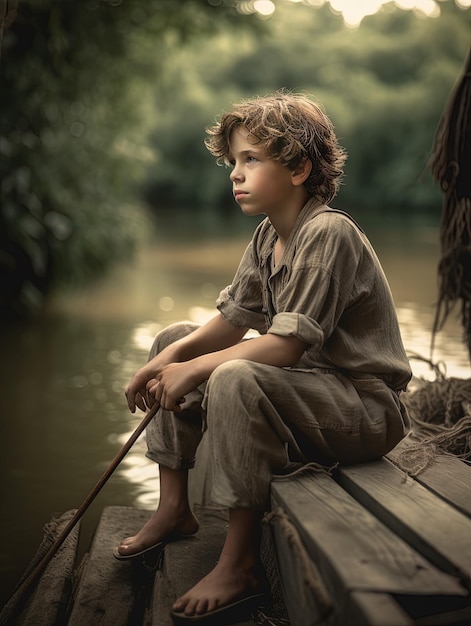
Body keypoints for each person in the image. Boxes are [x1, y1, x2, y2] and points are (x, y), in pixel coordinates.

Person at [114, 91, 412, 625]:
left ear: (299, 168)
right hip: (306, 393)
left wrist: (199, 368)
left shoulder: (329, 233)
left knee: (232, 374)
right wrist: (171, 358)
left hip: (365, 409)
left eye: (252, 159)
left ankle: (239, 561)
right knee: (172, 338)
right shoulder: (268, 237)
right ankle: (174, 509)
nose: (236, 174)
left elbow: (285, 346)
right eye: (233, 162)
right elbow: (234, 320)